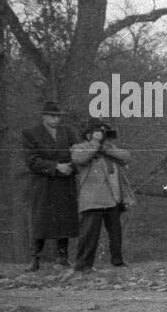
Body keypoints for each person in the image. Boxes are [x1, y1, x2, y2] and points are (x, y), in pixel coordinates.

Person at [68, 118, 135, 275]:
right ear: (89, 134)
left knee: (115, 233)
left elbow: (126, 157)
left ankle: (118, 261)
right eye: (99, 131)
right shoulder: (80, 147)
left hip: (112, 199)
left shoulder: (108, 149)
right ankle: (83, 265)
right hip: (92, 200)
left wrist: (105, 148)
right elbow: (79, 158)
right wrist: (95, 144)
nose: (103, 135)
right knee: (89, 235)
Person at [22, 101, 80, 271]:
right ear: (44, 116)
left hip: (65, 182)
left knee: (64, 220)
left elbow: (79, 153)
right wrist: (55, 167)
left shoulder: (68, 132)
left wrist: (71, 167)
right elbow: (31, 160)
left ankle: (62, 257)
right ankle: (35, 258)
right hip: (43, 183)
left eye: (58, 116)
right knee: (41, 220)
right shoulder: (31, 133)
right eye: (52, 116)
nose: (56, 119)